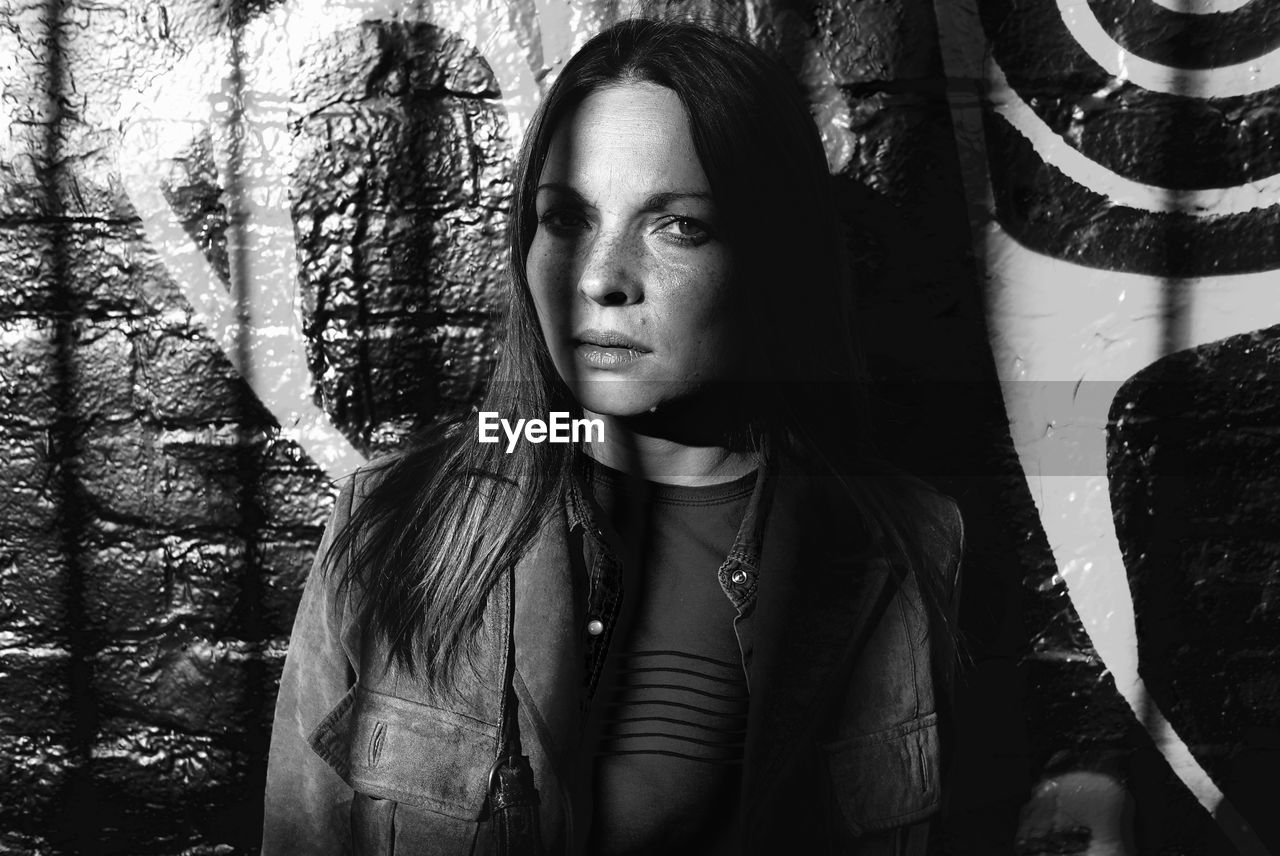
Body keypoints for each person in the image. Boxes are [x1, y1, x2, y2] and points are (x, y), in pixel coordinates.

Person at [262, 17, 964, 856]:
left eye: (679, 226)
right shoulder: (392, 525)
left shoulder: (907, 543)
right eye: (566, 219)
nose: (601, 279)